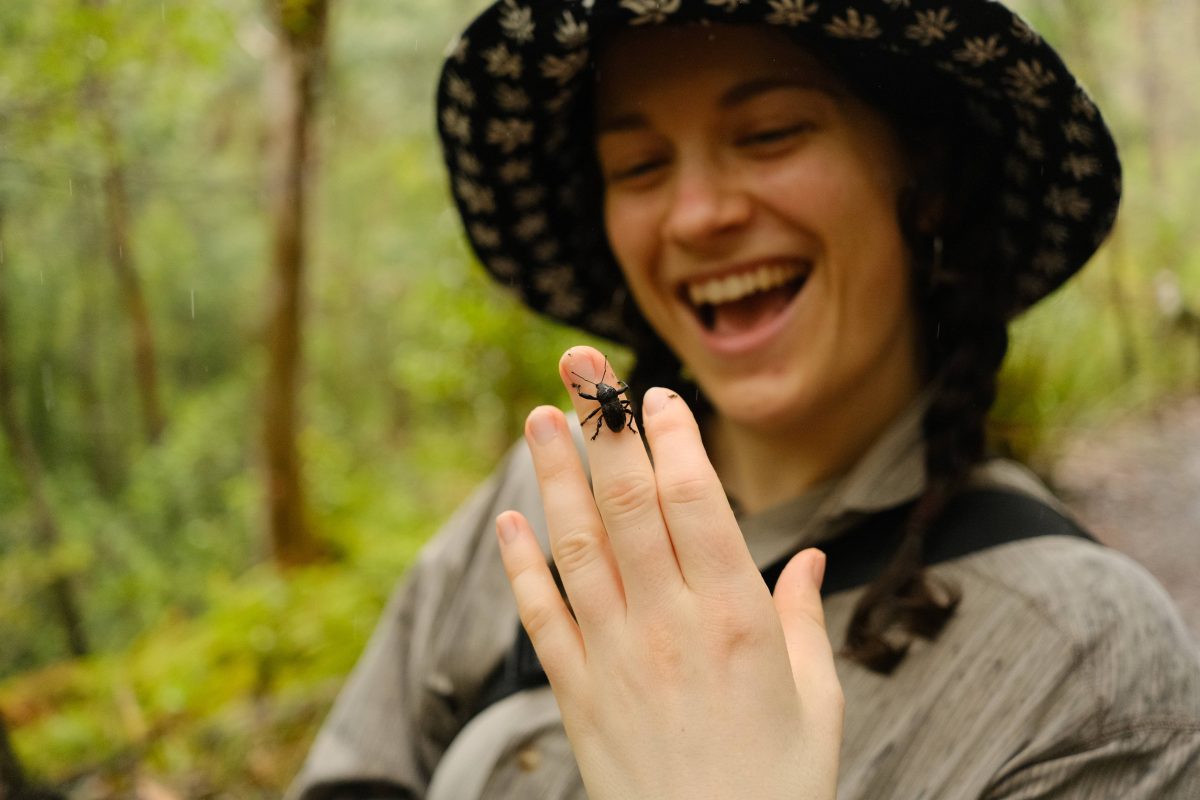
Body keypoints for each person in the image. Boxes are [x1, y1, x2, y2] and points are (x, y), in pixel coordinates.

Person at [288, 0, 1200, 797]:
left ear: (922, 180)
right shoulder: (546, 504)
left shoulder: (1087, 663)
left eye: (769, 135)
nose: (697, 215)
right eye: (639, 166)